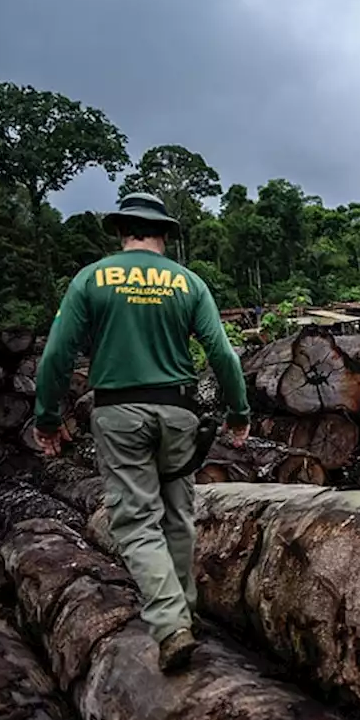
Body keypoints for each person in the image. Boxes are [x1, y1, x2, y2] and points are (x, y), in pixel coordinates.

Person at [32, 192, 251, 673]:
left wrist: (47, 417)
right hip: (178, 413)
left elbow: (56, 356)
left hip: (118, 413)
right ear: (165, 234)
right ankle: (183, 613)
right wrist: (238, 411)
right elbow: (223, 355)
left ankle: (172, 625)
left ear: (121, 231)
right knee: (177, 514)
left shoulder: (92, 278)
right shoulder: (188, 282)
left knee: (135, 521)